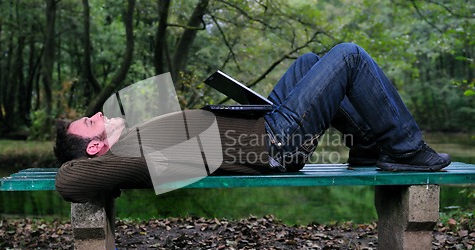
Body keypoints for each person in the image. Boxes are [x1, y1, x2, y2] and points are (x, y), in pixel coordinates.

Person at [54, 43, 451, 203]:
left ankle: (365, 147)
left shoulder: (129, 144)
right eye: (90, 123)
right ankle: (406, 149)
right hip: (274, 142)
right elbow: (68, 179)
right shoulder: (122, 156)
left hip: (265, 126)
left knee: (310, 62)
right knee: (349, 56)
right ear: (94, 147)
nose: (98, 114)